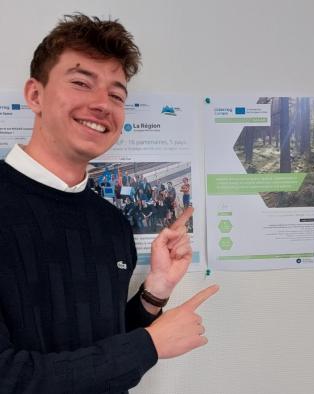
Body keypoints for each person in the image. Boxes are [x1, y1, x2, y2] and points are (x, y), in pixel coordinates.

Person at [0, 14, 218, 393]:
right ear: (35, 95)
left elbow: (105, 348)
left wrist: (155, 292)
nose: (102, 104)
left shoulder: (111, 223)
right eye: (82, 83)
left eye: (116, 95)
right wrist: (148, 345)